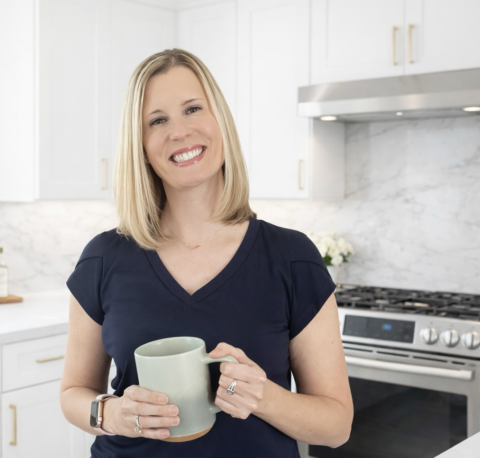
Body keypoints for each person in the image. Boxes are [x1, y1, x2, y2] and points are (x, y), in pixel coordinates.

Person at [59, 48, 353, 458]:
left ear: (220, 122)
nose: (179, 131)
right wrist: (111, 414)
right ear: (142, 146)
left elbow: (337, 427)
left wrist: (264, 396)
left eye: (193, 109)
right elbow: (73, 393)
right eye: (157, 120)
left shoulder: (291, 257)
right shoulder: (103, 258)